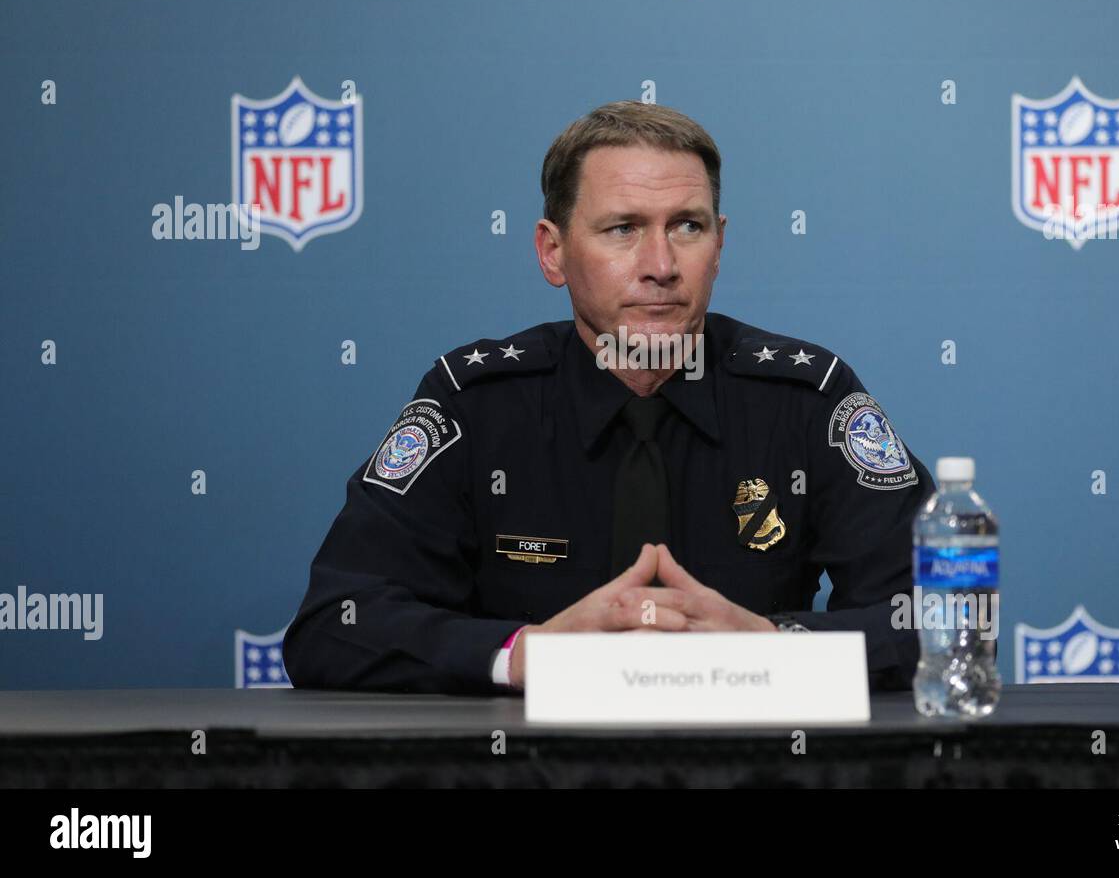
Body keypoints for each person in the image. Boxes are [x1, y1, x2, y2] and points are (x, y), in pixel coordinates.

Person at [282, 100, 935, 695]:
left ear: (720, 245)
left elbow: (942, 619)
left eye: (687, 226)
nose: (660, 263)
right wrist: (522, 653)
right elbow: (335, 624)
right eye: (622, 229)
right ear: (553, 252)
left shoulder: (807, 397)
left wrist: (772, 646)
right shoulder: (475, 403)